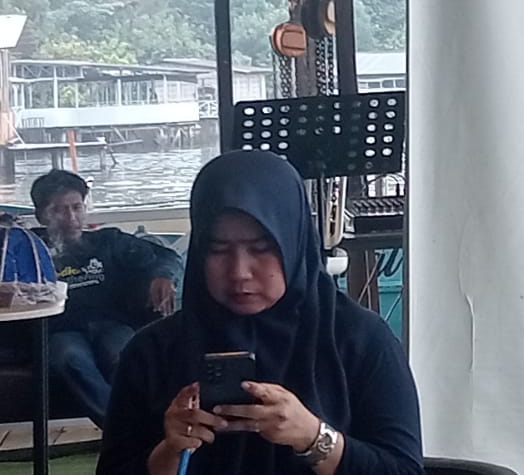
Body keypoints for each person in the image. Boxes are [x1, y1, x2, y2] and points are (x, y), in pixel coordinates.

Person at [96, 150, 423, 475]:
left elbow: (404, 469)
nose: (239, 271)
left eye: (261, 248)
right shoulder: (152, 352)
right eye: (218, 249)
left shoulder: (360, 339)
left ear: (292, 241)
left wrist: (314, 437)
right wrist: (169, 452)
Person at [30, 168, 181, 427]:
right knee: (72, 360)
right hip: (61, 329)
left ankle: (135, 429)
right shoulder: (31, 250)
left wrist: (162, 275)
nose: (71, 218)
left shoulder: (109, 241)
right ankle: (125, 430)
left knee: (123, 355)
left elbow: (166, 257)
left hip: (113, 324)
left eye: (76, 207)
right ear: (41, 215)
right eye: (59, 210)